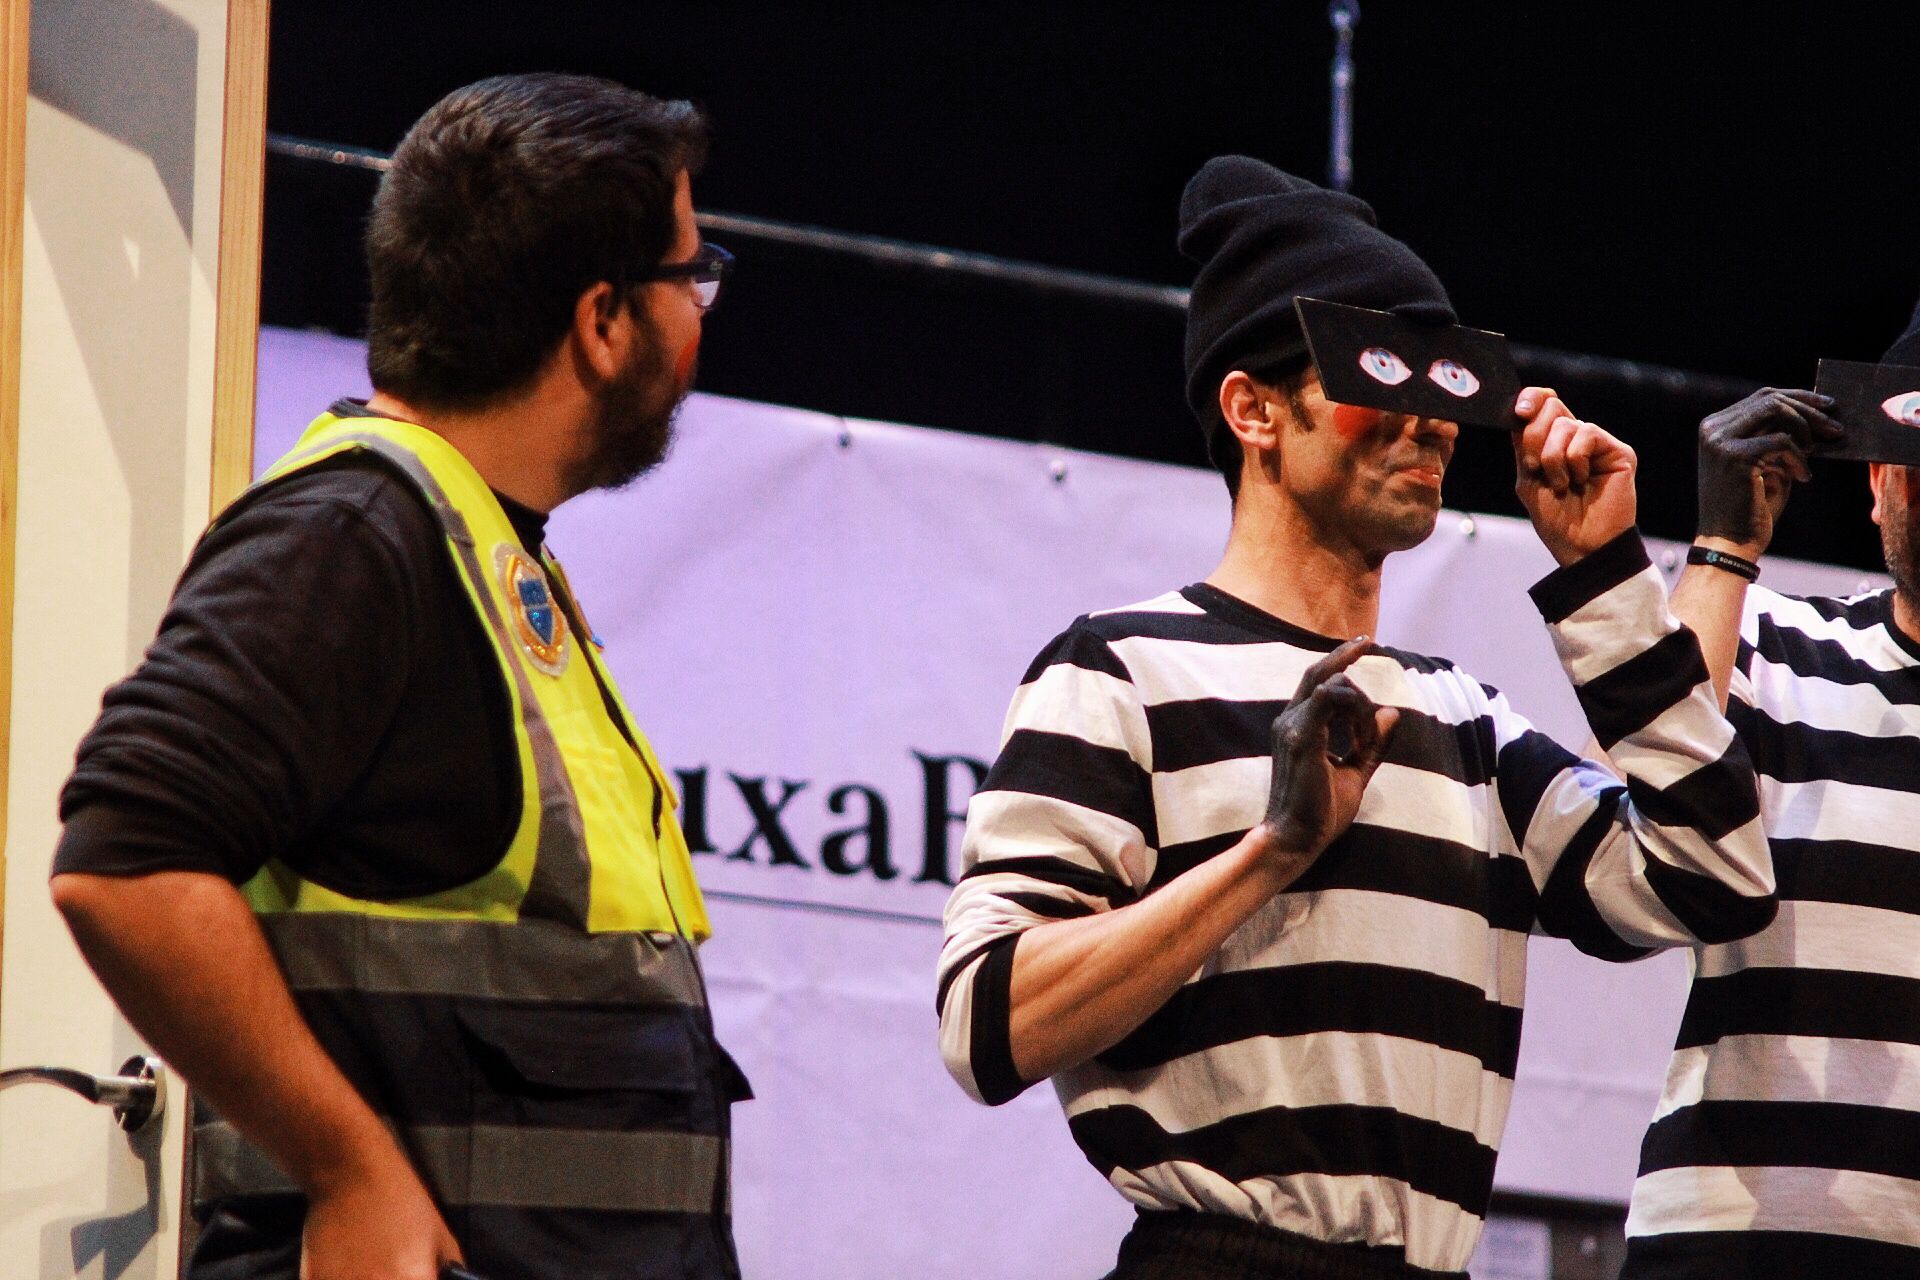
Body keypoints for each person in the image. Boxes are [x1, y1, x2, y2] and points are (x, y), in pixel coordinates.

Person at [936, 157, 1777, 1280]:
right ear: (1255, 409)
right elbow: (987, 1022)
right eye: (1383, 374)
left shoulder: (1462, 718)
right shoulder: (1118, 668)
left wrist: (1609, 581)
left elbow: (1711, 877)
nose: (1430, 422)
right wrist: (1272, 851)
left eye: (1447, 387)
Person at [49, 73, 748, 1280]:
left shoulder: (470, 542)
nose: (703, 311)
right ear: (601, 321)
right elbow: (125, 861)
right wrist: (348, 1167)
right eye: (691, 276)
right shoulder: (353, 533)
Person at [1618, 314, 1920, 1277]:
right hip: (1738, 1242)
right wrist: (1721, 544)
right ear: (1879, 483)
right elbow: (1633, 821)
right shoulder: (1778, 642)